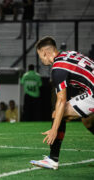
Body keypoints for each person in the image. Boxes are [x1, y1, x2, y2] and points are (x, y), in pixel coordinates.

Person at [30, 36, 94, 170]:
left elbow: (61, 100)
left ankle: (52, 159)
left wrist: (54, 129)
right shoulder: (70, 54)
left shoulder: (58, 68)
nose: (41, 59)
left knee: (59, 113)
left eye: (39, 56)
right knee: (87, 121)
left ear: (45, 53)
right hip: (90, 90)